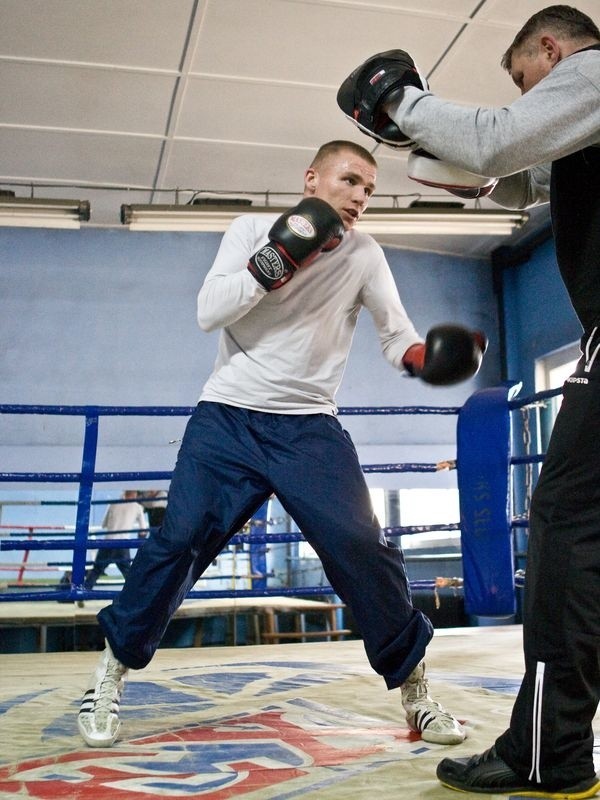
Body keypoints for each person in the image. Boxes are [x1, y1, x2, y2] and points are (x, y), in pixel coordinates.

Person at [76, 139, 486, 749]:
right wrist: (279, 259)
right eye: (350, 181)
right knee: (179, 539)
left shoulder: (366, 255)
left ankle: (416, 692)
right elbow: (209, 312)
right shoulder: (247, 230)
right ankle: (109, 676)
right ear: (312, 179)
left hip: (309, 427)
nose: (360, 198)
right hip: (228, 419)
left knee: (360, 545)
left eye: (370, 190)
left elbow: (394, 334)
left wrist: (425, 359)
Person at [337, 5, 600, 798]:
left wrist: (398, 102)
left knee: (565, 534)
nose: (529, 98)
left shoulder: (593, 71)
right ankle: (541, 745)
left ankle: (549, 757)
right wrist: (417, 142)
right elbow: (501, 173)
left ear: (550, 51)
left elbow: (495, 138)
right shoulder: (580, 136)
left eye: (527, 82)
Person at [83, 490, 147, 591]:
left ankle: (83, 592)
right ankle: (138, 595)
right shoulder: (137, 507)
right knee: (127, 572)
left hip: (108, 542)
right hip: (122, 543)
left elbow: (104, 524)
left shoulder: (113, 504)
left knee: (97, 570)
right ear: (135, 494)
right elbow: (143, 529)